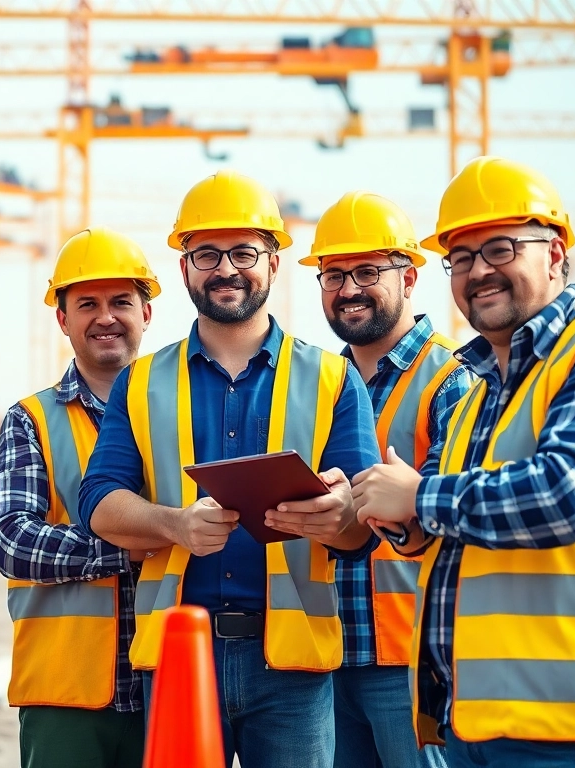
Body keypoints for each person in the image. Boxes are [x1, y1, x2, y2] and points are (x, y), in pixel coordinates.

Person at [352, 156, 575, 767]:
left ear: (555, 254)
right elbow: (448, 533)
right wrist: (387, 513)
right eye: (461, 258)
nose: (479, 271)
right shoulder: (481, 390)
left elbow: (567, 497)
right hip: (476, 723)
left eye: (501, 248)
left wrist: (418, 498)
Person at [79, 170, 380, 768]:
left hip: (293, 666)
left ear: (272, 263)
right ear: (185, 268)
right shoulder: (141, 382)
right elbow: (98, 502)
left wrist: (340, 513)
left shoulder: (332, 379)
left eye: (244, 252)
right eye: (206, 254)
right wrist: (172, 524)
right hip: (180, 654)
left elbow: (360, 531)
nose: (225, 269)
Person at [302, 192, 467, 768]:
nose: (349, 288)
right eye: (334, 274)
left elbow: (458, 511)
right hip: (325, 651)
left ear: (410, 277)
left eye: (368, 271)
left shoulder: (452, 381)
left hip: (412, 656)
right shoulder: (317, 384)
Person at [0, 227, 161, 768]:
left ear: (147, 314)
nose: (105, 316)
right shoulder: (32, 419)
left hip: (170, 680)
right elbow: (11, 538)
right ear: (62, 319)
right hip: (64, 694)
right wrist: (128, 548)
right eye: (87, 303)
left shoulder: (181, 410)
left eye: (121, 302)